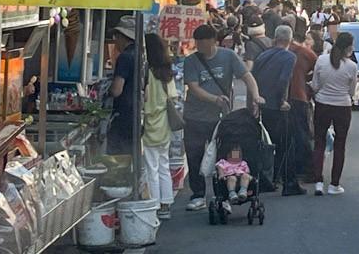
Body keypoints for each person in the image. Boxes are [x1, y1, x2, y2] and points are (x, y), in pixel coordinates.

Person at [183, 24, 264, 211]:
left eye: (203, 43)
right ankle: (198, 195)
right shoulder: (191, 61)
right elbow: (194, 88)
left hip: (220, 118)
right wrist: (214, 99)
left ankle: (224, 194)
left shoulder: (228, 56)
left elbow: (247, 76)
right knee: (194, 155)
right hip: (194, 116)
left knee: (223, 156)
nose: (200, 47)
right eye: (197, 43)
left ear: (213, 41)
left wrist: (256, 96)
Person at [253, 25, 304, 196]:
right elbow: (284, 80)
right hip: (277, 105)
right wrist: (282, 100)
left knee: (268, 143)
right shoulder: (289, 57)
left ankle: (269, 179)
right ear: (290, 40)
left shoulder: (263, 55)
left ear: (275, 38)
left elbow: (253, 77)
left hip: (262, 104)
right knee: (287, 143)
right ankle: (289, 182)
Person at [311, 32, 358, 196]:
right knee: (340, 144)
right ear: (349, 47)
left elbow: (315, 85)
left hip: (322, 103)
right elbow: (351, 91)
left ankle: (317, 181)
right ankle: (334, 184)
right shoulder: (351, 66)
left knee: (319, 142)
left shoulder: (322, 60)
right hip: (342, 106)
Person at [143, 34, 177, 220]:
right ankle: (166, 203)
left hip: (149, 124)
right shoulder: (167, 72)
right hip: (164, 124)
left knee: (151, 166)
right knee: (164, 165)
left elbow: (144, 99)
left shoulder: (146, 72)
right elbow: (173, 97)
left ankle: (154, 205)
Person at [288, 31, 318, 179]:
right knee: (302, 133)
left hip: (282, 98)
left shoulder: (282, 51)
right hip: (300, 96)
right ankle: (307, 168)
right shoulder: (306, 53)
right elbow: (318, 70)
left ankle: (291, 165)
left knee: (288, 134)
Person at [107, 16, 137, 155]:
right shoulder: (141, 55)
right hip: (136, 114)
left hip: (123, 115)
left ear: (123, 37)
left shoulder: (125, 57)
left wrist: (108, 91)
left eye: (116, 36)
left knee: (118, 156)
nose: (115, 40)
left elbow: (117, 90)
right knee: (129, 156)